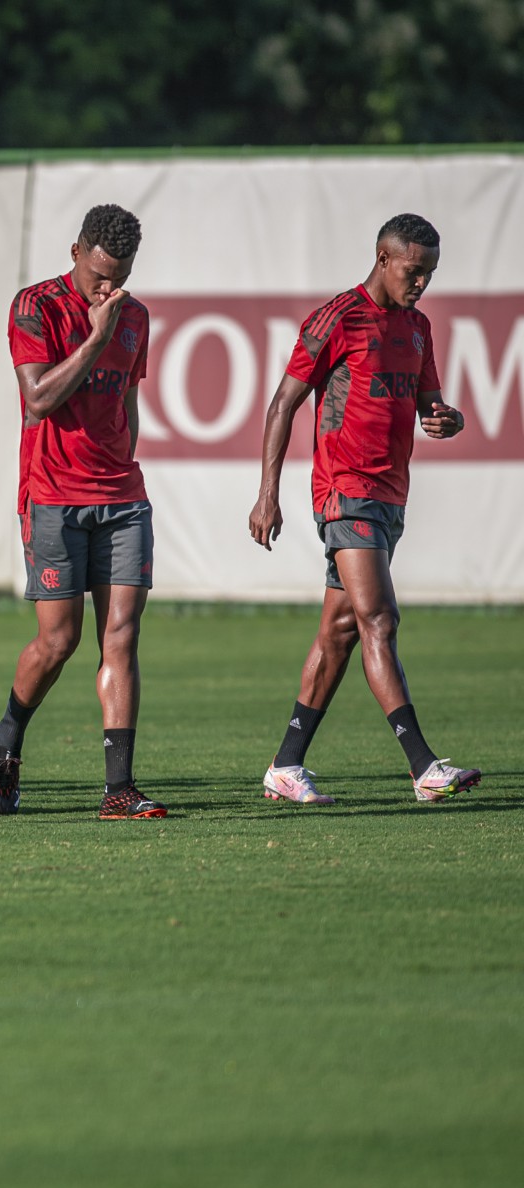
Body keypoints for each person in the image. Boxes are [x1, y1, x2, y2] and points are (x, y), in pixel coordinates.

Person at [248, 213, 480, 804]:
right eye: (413, 270)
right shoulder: (337, 318)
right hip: (344, 491)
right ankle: (424, 766)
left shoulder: (419, 327)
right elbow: (283, 404)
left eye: (429, 273)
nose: (421, 283)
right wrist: (268, 492)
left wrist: (446, 419)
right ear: (383, 259)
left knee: (342, 632)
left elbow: (431, 405)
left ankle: (286, 765)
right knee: (380, 619)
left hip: (389, 495)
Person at [0, 204, 167, 820]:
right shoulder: (35, 307)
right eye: (98, 274)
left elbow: (128, 402)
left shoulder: (136, 318)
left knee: (122, 635)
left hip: (121, 497)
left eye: (119, 275)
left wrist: (126, 466)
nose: (108, 288)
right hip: (53, 497)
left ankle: (119, 788)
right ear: (75, 252)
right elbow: (38, 400)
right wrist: (95, 335)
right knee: (58, 641)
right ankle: (8, 732)